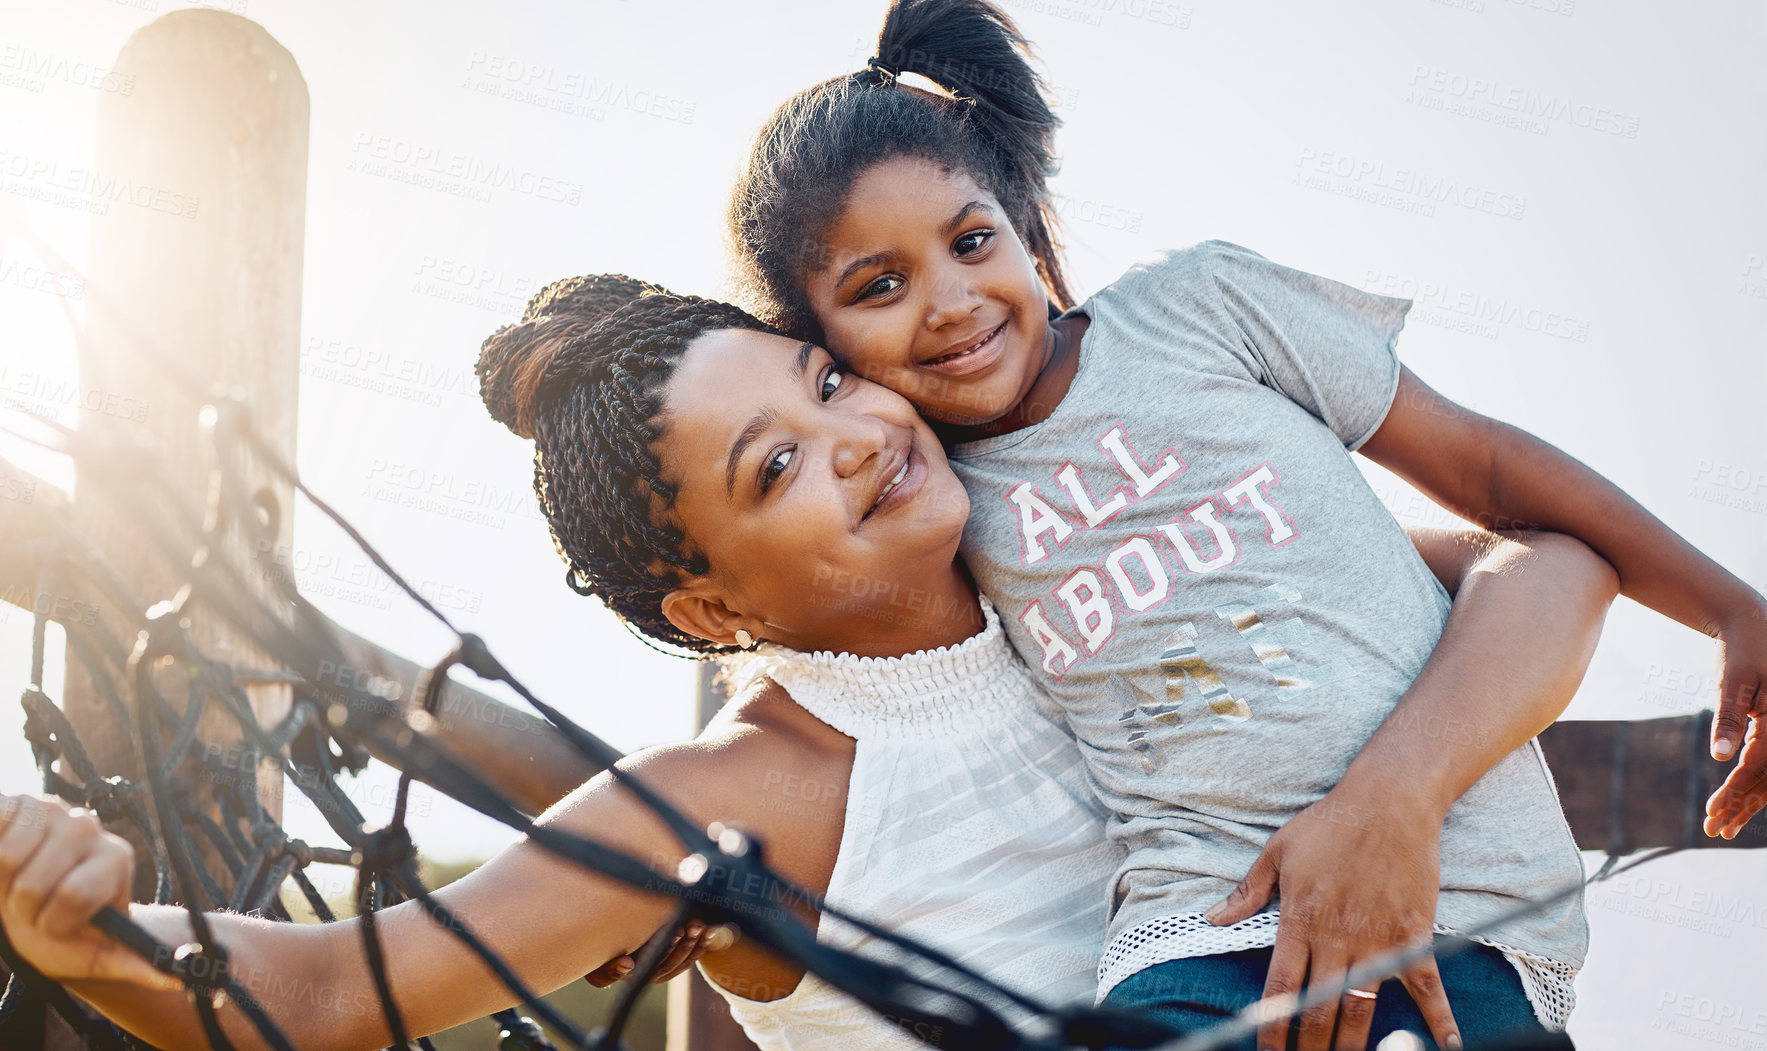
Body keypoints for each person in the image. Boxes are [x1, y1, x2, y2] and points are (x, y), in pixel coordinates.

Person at [0, 280, 1620, 1051]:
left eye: (828, 382)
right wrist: (89, 928)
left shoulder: (1098, 570)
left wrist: (1396, 795)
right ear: (711, 613)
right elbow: (324, 988)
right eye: (771, 472)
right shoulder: (746, 793)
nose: (854, 440)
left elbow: (1529, 565)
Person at [722, 0, 1767, 1048]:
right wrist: (697, 890)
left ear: (1023, 230)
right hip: (1197, 936)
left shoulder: (1200, 307)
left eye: (971, 241)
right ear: (821, 346)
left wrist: (1735, 611)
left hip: (1465, 912)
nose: (948, 299)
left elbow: (1492, 474)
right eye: (879, 285)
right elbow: (835, 682)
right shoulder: (936, 512)